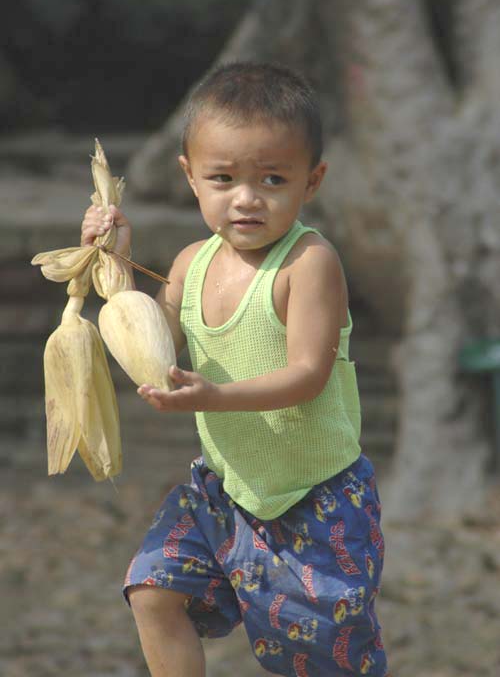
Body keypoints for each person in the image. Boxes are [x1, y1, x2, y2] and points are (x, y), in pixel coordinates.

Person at [81, 62, 389, 677]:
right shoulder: (191, 263)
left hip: (315, 499)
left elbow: (308, 374)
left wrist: (213, 396)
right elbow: (156, 345)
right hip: (222, 492)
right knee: (153, 589)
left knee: (321, 660)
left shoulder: (308, 263)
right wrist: (112, 261)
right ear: (190, 177)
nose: (246, 198)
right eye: (223, 178)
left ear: (312, 180)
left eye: (273, 178)